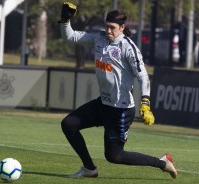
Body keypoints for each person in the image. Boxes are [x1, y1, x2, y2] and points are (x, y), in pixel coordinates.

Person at [59, 2, 177, 179]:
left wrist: (145, 103)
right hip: (103, 104)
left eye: (112, 27)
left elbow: (143, 76)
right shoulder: (98, 38)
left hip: (120, 110)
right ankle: (89, 168)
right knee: (69, 125)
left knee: (114, 156)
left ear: (122, 27)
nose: (108, 31)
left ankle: (162, 163)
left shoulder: (128, 48)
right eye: (106, 26)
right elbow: (71, 37)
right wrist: (65, 20)